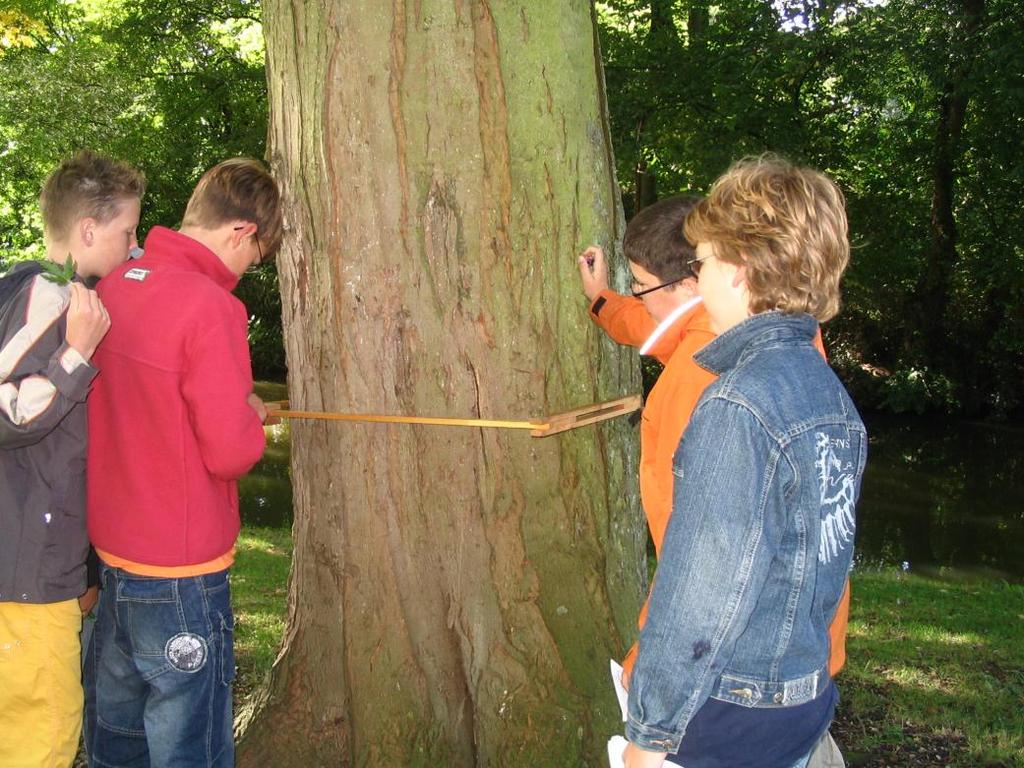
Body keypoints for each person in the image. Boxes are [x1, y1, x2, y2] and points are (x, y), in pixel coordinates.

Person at [622, 155, 866, 768]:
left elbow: (700, 591)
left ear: (740, 270)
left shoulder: (737, 405)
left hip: (731, 713)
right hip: (804, 697)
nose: (697, 284)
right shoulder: (823, 391)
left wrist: (651, 735)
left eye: (702, 264)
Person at [577, 198, 851, 691]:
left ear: (695, 283)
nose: (637, 299)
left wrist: (651, 671)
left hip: (734, 673)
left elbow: (701, 552)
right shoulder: (783, 333)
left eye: (640, 286)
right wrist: (603, 300)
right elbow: (658, 326)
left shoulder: (704, 383)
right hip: (806, 648)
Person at [83, 157, 283, 767]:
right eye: (256, 256)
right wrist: (252, 423)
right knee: (187, 745)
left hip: (111, 558)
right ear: (241, 231)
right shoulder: (211, 308)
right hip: (181, 572)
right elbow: (229, 452)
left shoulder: (116, 283)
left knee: (117, 738)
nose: (248, 270)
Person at [0, 150, 144, 767]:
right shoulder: (51, 296)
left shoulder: (27, 286)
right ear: (87, 231)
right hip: (28, 576)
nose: (134, 249)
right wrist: (76, 356)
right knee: (46, 733)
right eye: (126, 233)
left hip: (30, 561)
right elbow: (10, 412)